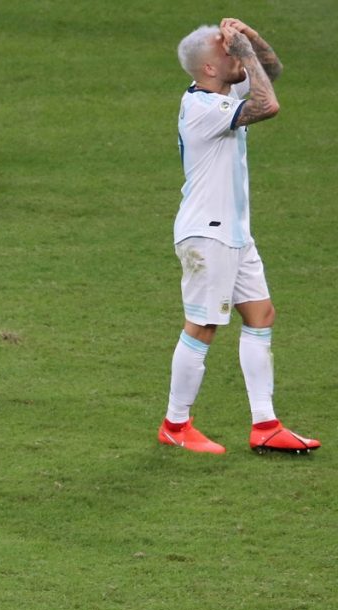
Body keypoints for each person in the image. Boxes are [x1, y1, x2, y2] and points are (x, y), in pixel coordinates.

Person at [158, 18, 319, 454]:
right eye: (227, 52)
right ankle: (175, 425)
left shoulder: (222, 92)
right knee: (204, 325)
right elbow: (269, 104)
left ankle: (265, 424)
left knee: (261, 315)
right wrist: (242, 52)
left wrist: (249, 39)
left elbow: (272, 72)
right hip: (207, 235)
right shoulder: (204, 108)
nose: (236, 56)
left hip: (234, 233)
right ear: (209, 69)